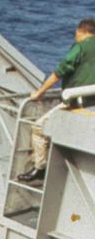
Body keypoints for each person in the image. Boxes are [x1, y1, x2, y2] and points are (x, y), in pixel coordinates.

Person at [19, 19, 95, 184]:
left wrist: (40, 92)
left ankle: (39, 168)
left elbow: (60, 71)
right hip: (92, 102)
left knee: (39, 127)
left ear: (81, 32)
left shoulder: (80, 47)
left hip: (76, 102)